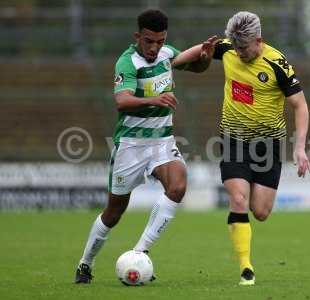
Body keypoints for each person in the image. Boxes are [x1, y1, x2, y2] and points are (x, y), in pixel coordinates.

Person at [75, 9, 216, 284]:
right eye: (149, 41)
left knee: (177, 186)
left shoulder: (167, 54)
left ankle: (139, 253)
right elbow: (122, 101)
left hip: (162, 142)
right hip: (131, 145)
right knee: (114, 212)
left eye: (160, 41)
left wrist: (206, 58)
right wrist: (154, 100)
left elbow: (197, 67)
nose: (155, 47)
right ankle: (85, 263)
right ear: (138, 37)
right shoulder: (127, 62)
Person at [174, 11, 310, 286]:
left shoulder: (277, 64)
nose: (239, 53)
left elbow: (300, 105)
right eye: (235, 47)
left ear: (258, 40)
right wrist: (171, 62)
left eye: (244, 48)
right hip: (234, 141)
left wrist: (300, 148)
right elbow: (197, 51)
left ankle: (247, 230)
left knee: (260, 211)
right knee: (238, 200)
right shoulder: (228, 48)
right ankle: (246, 268)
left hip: (268, 145)